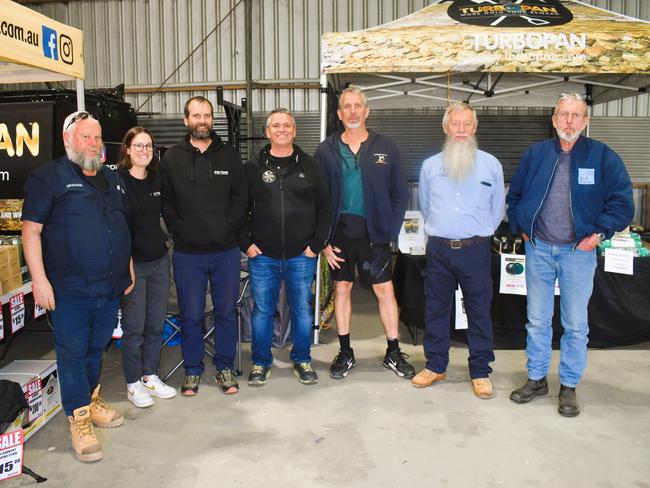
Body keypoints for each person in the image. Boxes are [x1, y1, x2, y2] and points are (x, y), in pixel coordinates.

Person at [507, 92, 634, 417]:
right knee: (537, 320)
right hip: (539, 250)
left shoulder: (603, 157)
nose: (569, 121)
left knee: (575, 324)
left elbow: (622, 202)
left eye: (576, 115)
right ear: (553, 119)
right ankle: (536, 378)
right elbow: (515, 196)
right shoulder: (536, 154)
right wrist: (522, 227)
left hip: (578, 253)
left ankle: (569, 386)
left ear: (585, 120)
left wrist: (597, 235)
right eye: (563, 114)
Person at [22, 111, 131, 462]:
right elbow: (31, 230)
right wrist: (39, 280)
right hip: (69, 288)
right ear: (68, 139)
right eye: (86, 137)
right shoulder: (48, 177)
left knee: (96, 347)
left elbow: (119, 224)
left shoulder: (110, 178)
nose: (94, 143)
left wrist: (126, 265)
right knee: (71, 353)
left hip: (108, 285)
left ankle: (90, 398)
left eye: (97, 138)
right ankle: (79, 419)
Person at [315, 85, 414, 380]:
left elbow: (400, 193)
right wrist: (323, 241)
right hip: (340, 235)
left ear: (367, 111)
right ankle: (345, 353)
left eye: (358, 106)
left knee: (385, 290)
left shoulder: (387, 147)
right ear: (339, 113)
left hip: (375, 236)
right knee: (342, 289)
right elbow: (317, 198)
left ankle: (393, 352)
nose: (353, 111)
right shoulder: (326, 149)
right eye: (347, 106)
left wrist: (389, 229)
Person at [413, 103, 504, 399]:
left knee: (479, 311)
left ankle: (480, 371)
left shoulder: (491, 165)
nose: (461, 129)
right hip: (439, 249)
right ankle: (436, 365)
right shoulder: (429, 166)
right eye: (456, 124)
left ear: (474, 128)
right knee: (436, 308)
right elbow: (426, 207)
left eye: (467, 124)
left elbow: (497, 210)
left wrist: (477, 233)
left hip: (475, 250)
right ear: (445, 127)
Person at [160, 96, 247, 396]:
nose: (202, 121)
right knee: (191, 314)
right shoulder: (171, 158)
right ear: (186, 120)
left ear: (212, 120)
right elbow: (166, 202)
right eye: (196, 116)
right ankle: (193, 370)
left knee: (225, 311)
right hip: (187, 253)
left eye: (207, 115)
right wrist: (179, 230)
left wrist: (228, 228)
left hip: (225, 252)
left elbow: (241, 198)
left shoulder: (230, 156)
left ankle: (224, 367)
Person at [240, 108, 330, 386]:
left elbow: (326, 208)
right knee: (262, 310)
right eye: (275, 126)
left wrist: (316, 245)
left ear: (294, 130)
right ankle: (261, 362)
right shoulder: (252, 167)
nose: (281, 130)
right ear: (267, 132)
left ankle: (302, 359)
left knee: (302, 310)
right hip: (262, 255)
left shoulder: (311, 165)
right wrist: (247, 244)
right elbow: (238, 209)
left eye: (286, 126)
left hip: (301, 256)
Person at [118, 127, 177, 407]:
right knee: (134, 329)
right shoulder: (116, 182)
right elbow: (116, 230)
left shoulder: (157, 180)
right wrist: (126, 266)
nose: (144, 151)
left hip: (158, 263)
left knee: (155, 324)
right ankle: (132, 383)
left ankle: (149, 375)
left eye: (149, 146)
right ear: (127, 149)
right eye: (138, 146)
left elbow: (172, 214)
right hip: (134, 266)